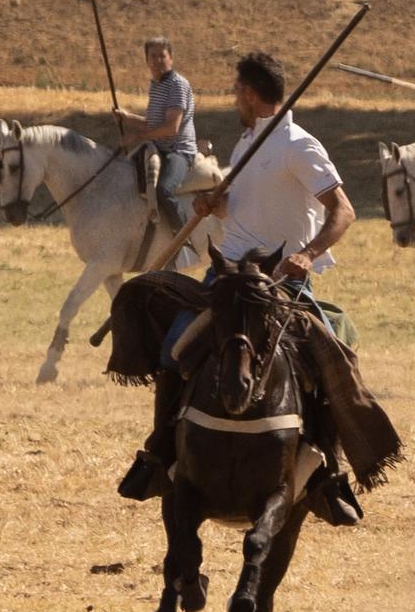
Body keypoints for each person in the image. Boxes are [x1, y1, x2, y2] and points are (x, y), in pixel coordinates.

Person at [117, 51, 363, 521]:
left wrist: (307, 254)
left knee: (325, 354)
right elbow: (250, 207)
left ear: (250, 94)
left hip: (278, 283)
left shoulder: (299, 145)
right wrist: (218, 203)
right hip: (227, 277)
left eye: (236, 91)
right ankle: (160, 454)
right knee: (175, 347)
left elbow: (344, 211)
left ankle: (327, 473)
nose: (234, 99)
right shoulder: (250, 140)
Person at [112, 37, 200, 236]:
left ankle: (184, 237)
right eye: (154, 56)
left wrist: (136, 137)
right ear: (147, 60)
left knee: (163, 190)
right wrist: (127, 117)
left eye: (163, 55)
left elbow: (171, 128)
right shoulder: (156, 85)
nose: (159, 60)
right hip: (158, 148)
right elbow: (153, 124)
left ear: (171, 58)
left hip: (179, 151)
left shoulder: (177, 85)